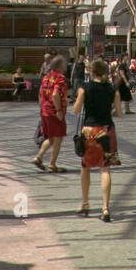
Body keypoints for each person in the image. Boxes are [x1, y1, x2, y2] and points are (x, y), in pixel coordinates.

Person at [72, 57, 121, 221]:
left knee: (85, 167)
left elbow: (76, 110)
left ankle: (85, 203)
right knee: (105, 169)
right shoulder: (112, 89)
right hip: (107, 130)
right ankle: (105, 208)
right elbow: (119, 113)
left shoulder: (84, 88)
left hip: (90, 131)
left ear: (91, 72)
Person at [34, 55, 69, 172]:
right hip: (55, 113)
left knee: (50, 137)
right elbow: (55, 94)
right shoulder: (60, 78)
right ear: (60, 65)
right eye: (64, 63)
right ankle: (52, 165)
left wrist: (43, 107)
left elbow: (40, 95)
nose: (66, 65)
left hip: (44, 111)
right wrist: (59, 110)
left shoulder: (46, 77)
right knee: (58, 138)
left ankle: (39, 157)